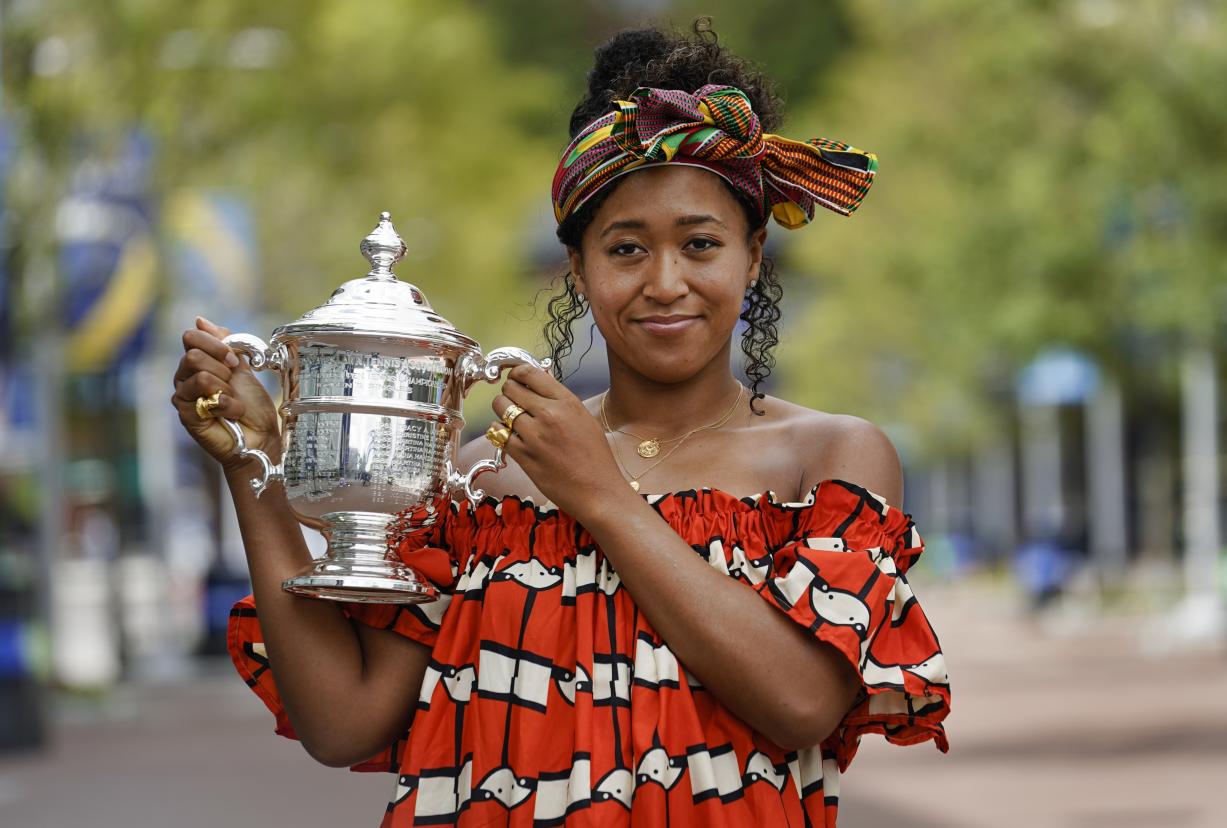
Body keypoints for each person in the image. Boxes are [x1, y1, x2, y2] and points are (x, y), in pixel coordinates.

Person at [171, 22, 949, 828]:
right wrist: (254, 465)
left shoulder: (828, 458)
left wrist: (603, 498)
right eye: (625, 250)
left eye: (701, 244)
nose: (666, 281)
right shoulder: (484, 477)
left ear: (753, 258)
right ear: (577, 269)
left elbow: (804, 704)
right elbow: (344, 723)